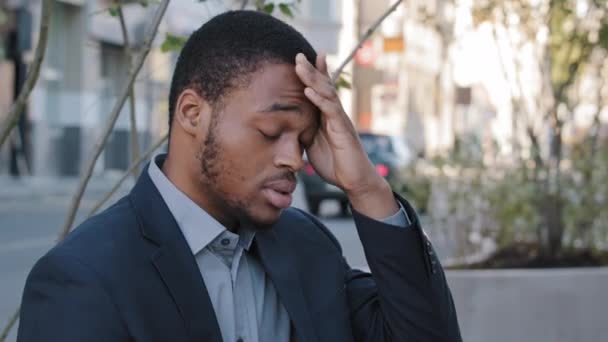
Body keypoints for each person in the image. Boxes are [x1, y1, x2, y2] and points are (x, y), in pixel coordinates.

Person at [17, 10, 462, 342]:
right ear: (192, 113)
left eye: (306, 138)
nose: (294, 159)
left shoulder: (308, 247)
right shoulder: (84, 279)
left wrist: (367, 188)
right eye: (272, 131)